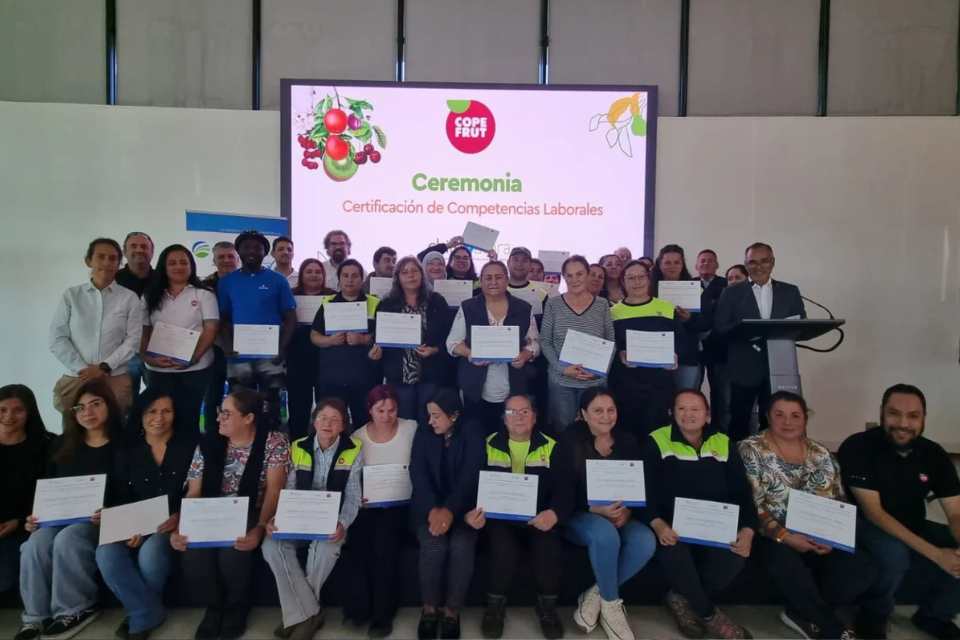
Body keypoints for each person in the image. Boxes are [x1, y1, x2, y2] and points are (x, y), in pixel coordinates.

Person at [739, 392, 883, 640]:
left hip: (819, 535)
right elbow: (753, 505)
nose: (788, 422)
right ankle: (832, 628)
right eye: (779, 415)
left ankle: (801, 613)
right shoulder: (750, 449)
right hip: (772, 535)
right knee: (782, 562)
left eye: (795, 415)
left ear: (805, 418)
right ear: (768, 417)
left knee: (863, 567)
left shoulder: (821, 453)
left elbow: (839, 501)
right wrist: (786, 536)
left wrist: (833, 537)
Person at [838, 384, 960, 640]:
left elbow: (955, 512)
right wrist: (937, 554)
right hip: (862, 523)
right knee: (895, 555)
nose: (903, 424)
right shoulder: (858, 446)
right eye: (894, 414)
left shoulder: (933, 453)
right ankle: (873, 614)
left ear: (923, 418)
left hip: (913, 521)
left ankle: (935, 615)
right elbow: (875, 514)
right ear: (882, 413)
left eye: (913, 416)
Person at [171, 387, 289, 640]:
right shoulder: (208, 443)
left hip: (249, 507)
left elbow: (274, 490)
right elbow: (194, 491)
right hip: (210, 508)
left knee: (234, 549)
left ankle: (236, 607)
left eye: (226, 413)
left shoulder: (273, 442)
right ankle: (214, 607)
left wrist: (259, 527)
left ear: (248, 418)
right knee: (193, 552)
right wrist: (182, 525)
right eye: (219, 412)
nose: (218, 418)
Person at [642, 390, 756, 640]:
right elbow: (645, 490)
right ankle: (709, 614)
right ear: (672, 413)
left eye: (695, 409)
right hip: (672, 527)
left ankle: (680, 598)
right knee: (674, 552)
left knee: (736, 556)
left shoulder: (723, 442)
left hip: (716, 527)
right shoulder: (657, 440)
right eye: (681, 409)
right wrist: (658, 524)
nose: (688, 414)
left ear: (708, 415)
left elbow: (742, 493)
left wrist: (748, 530)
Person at [16, 379, 121, 640]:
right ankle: (35, 617)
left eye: (95, 404)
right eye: (80, 407)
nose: (88, 412)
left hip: (102, 521)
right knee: (34, 543)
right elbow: (47, 487)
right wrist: (34, 518)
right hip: (58, 519)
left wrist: (111, 511)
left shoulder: (125, 445)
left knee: (69, 538)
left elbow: (133, 491)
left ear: (109, 405)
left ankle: (75, 608)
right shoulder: (61, 444)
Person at [556, 388, 655, 640]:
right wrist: (595, 509)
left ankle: (594, 596)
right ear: (583, 414)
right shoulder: (569, 441)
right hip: (580, 513)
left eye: (611, 410)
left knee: (645, 540)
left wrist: (628, 511)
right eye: (598, 411)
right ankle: (611, 606)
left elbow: (638, 485)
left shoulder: (628, 441)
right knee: (605, 534)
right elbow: (562, 491)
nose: (606, 416)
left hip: (620, 514)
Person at [95, 388, 194, 640]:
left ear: (175, 414)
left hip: (172, 524)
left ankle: (139, 616)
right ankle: (146, 612)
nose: (159, 418)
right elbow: (120, 496)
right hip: (134, 523)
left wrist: (179, 516)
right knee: (105, 552)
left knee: (151, 552)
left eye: (166, 411)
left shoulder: (189, 447)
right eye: (151, 411)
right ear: (140, 414)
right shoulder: (126, 450)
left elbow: (198, 492)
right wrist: (127, 526)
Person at [465, 394, 565, 640]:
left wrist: (554, 513)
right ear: (503, 418)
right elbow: (471, 484)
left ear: (534, 416)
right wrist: (470, 512)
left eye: (524, 411)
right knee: (502, 549)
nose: (518, 417)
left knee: (548, 547)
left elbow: (565, 489)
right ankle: (494, 608)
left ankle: (547, 608)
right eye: (511, 412)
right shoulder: (488, 444)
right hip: (500, 519)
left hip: (539, 517)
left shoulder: (552, 445)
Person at [262, 397, 363, 640]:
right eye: (323, 418)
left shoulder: (354, 448)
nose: (328, 423)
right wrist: (278, 518)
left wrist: (342, 524)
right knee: (271, 545)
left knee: (326, 548)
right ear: (314, 421)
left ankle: (297, 616)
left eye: (335, 419)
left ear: (343, 425)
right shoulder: (298, 446)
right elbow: (289, 489)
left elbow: (353, 496)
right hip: (299, 517)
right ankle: (309, 614)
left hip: (332, 519)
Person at [342, 385, 417, 638]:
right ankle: (358, 609)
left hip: (403, 505)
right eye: (380, 410)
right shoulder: (358, 437)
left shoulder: (411, 428)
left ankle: (382, 615)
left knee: (385, 545)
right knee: (358, 543)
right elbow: (353, 478)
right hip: (369, 505)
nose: (386, 415)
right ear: (370, 410)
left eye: (392, 410)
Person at [410, 389, 484, 640]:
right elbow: (418, 474)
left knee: (461, 546)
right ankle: (429, 609)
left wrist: (451, 510)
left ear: (454, 416)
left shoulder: (472, 431)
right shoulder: (423, 433)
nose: (430, 421)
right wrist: (434, 509)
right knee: (434, 546)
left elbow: (471, 474)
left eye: (436, 415)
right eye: (429, 415)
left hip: (464, 510)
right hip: (428, 509)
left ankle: (452, 611)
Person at [714, 243, 805, 441]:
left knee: (776, 420)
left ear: (772, 262)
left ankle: (775, 457)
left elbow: (800, 323)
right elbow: (720, 328)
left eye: (764, 261)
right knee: (739, 421)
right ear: (746, 264)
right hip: (743, 366)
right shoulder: (731, 293)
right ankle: (739, 458)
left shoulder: (790, 291)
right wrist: (747, 331)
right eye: (752, 262)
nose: (758, 266)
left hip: (780, 366)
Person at [49, 237, 142, 418]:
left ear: (119, 264)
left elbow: (133, 340)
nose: (106, 262)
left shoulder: (129, 298)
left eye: (113, 258)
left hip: (115, 378)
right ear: (88, 261)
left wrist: (104, 367)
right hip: (77, 377)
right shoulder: (72, 295)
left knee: (115, 427)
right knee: (75, 429)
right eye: (101, 256)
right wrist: (83, 368)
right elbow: (57, 338)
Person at [217, 230, 297, 429]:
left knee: (272, 406)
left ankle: (271, 443)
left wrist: (282, 348)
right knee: (240, 408)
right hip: (239, 358)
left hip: (271, 357)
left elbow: (290, 318)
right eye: (246, 247)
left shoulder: (278, 281)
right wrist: (227, 347)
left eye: (257, 247)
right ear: (239, 251)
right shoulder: (226, 282)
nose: (251, 251)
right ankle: (241, 444)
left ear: (265, 252)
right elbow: (222, 319)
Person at [446, 261, 540, 427]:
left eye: (498, 277)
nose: (493, 282)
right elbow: (452, 343)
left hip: (513, 385)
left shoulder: (524, 308)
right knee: (476, 431)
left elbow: (535, 343)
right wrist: (470, 354)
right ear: (481, 281)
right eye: (488, 278)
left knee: (508, 431)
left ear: (507, 279)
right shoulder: (468, 307)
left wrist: (525, 355)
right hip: (475, 386)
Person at [141, 244, 219, 435]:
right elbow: (143, 330)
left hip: (195, 368)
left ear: (191, 266)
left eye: (184, 262)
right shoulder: (150, 295)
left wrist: (193, 357)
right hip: (158, 369)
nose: (178, 267)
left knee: (189, 417)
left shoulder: (204, 294)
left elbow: (211, 328)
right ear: (164, 267)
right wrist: (147, 357)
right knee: (160, 418)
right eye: (172, 263)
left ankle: (187, 453)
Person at [369, 256, 451, 423]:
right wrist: (376, 352)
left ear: (422, 274)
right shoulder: (387, 304)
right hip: (398, 377)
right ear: (397, 277)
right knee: (403, 422)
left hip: (430, 375)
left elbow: (448, 336)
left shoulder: (436, 301)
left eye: (414, 271)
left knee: (428, 422)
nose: (410, 275)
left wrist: (434, 350)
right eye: (405, 272)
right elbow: (377, 337)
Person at [539, 255, 614, 432]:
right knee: (565, 431)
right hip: (561, 382)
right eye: (569, 275)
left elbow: (610, 341)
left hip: (594, 381)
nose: (574, 279)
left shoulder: (602, 305)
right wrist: (562, 368)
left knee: (596, 430)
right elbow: (545, 341)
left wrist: (600, 371)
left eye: (579, 274)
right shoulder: (553, 304)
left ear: (588, 274)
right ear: (564, 277)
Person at [609, 260, 678, 436]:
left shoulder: (666, 308)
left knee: (657, 433)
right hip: (626, 384)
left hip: (659, 383)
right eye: (631, 278)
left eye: (641, 277)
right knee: (627, 433)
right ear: (623, 281)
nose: (637, 282)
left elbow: (681, 342)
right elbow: (609, 345)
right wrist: (619, 354)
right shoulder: (613, 312)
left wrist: (676, 356)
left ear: (649, 279)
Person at [310, 259, 379, 430]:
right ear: (339, 279)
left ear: (362, 279)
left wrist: (364, 340)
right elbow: (314, 335)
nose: (350, 280)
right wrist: (330, 340)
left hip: (364, 379)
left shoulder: (375, 303)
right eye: (345, 276)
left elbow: (383, 335)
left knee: (365, 426)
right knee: (331, 425)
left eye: (355, 276)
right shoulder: (328, 302)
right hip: (332, 378)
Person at [0, 385, 53, 597]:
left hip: (26, 527)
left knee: (4, 581)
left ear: (29, 412)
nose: (9, 417)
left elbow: (51, 495)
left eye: (18, 410)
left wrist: (19, 521)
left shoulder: (49, 446)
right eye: (2, 410)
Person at [652, 244, 711, 392]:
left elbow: (706, 323)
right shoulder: (649, 291)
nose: (672, 266)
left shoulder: (696, 290)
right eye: (667, 262)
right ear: (659, 265)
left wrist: (689, 319)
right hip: (656, 356)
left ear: (682, 265)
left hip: (686, 357)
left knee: (686, 399)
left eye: (676, 262)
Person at [286, 259, 333, 441]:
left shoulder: (333, 297)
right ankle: (297, 447)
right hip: (297, 360)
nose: (314, 275)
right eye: (309, 271)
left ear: (323, 275)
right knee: (298, 408)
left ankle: (324, 445)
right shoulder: (291, 296)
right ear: (301, 275)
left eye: (318, 272)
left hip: (325, 360)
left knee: (325, 408)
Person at [200, 241, 239, 434]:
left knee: (238, 398)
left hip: (242, 349)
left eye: (230, 256)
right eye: (221, 257)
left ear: (237, 259)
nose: (226, 260)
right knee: (212, 395)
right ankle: (211, 438)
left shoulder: (247, 282)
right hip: (213, 348)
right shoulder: (203, 286)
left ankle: (236, 437)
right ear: (214, 260)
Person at [116, 232, 156, 403]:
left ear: (152, 252)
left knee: (158, 400)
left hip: (155, 351)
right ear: (124, 251)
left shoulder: (162, 280)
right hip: (123, 353)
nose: (139, 250)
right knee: (124, 403)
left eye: (144, 247)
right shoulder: (113, 280)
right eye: (133, 246)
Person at [696, 250, 729, 428]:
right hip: (695, 347)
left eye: (710, 261)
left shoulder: (727, 284)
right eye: (702, 261)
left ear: (717, 265)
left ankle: (719, 432)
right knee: (692, 391)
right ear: (696, 265)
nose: (706, 264)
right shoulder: (687, 285)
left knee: (721, 394)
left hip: (719, 348)